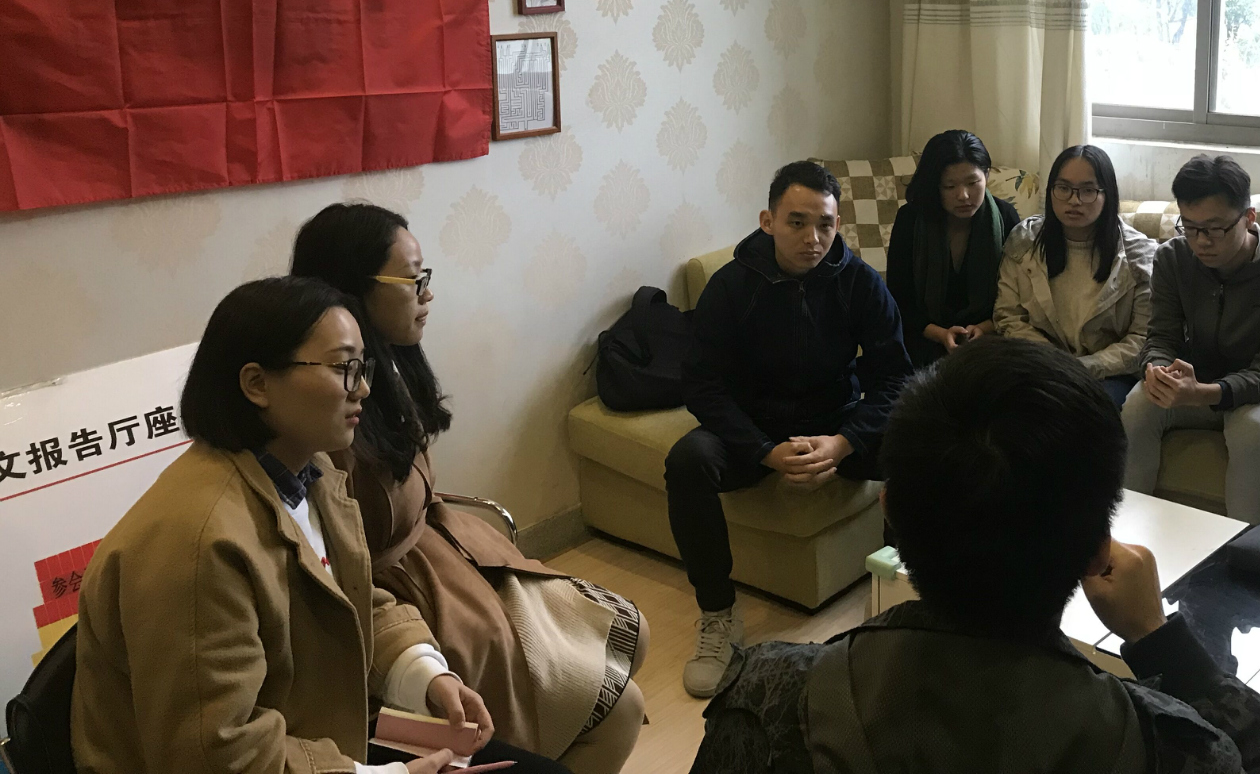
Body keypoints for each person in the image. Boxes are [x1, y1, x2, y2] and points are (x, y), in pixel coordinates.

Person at [689, 337, 1260, 774]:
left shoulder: (765, 700)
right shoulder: (1172, 747)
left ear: (891, 514)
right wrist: (1159, 641)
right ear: (1098, 551)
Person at [72, 277, 566, 774]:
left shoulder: (311, 472)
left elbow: (353, 601)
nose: (364, 388)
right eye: (343, 368)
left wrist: (426, 676)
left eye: (363, 367)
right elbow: (217, 754)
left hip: (313, 733)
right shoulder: (199, 545)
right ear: (256, 384)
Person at [292, 204, 646, 774]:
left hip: (445, 553)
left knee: (629, 639)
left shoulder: (388, 366)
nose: (428, 294)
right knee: (615, 708)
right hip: (405, 593)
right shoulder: (318, 422)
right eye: (414, 281)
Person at [668, 160, 914, 697]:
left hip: (835, 420)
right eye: (797, 223)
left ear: (838, 224)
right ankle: (717, 616)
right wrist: (764, 450)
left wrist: (845, 442)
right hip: (753, 428)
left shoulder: (860, 282)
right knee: (688, 460)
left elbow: (896, 378)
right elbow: (702, 385)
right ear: (768, 221)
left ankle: (901, 602)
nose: (813, 238)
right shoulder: (731, 286)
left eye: (824, 224)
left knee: (919, 444)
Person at [1122, 154, 1260, 524]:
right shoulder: (1173, 258)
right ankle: (1128, 538)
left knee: (1250, 424)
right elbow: (1161, 337)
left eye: (1215, 229)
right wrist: (1157, 371)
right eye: (1190, 227)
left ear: (1249, 218)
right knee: (1139, 404)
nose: (1201, 242)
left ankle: (1246, 549)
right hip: (1200, 389)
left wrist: (1205, 392)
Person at [994, 143, 1155, 406]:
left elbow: (1142, 339)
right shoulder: (1024, 241)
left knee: (1082, 411)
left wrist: (1084, 367)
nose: (1074, 200)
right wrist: (1053, 363)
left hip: (1108, 375)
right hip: (1037, 364)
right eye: (1063, 188)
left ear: (1107, 194)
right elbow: (1009, 316)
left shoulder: (1139, 256)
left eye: (1088, 190)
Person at [885, 129, 1020, 367]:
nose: (963, 195)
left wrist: (984, 328)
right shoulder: (910, 220)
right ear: (934, 186)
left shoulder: (1005, 217)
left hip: (989, 335)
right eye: (949, 186)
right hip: (924, 336)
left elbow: (1017, 294)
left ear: (987, 175)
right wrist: (941, 334)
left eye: (973, 183)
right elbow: (899, 297)